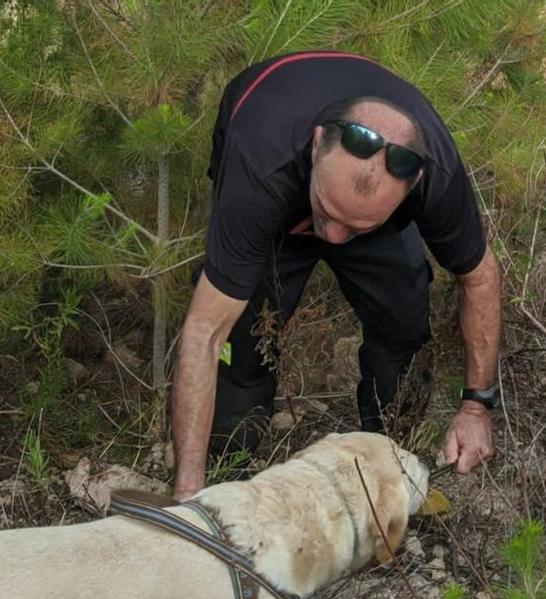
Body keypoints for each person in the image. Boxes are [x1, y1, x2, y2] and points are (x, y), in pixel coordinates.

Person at [171, 51, 502, 499]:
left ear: (413, 183)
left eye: (355, 227)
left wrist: (476, 406)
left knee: (403, 325)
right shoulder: (259, 164)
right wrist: (186, 493)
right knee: (243, 341)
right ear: (315, 144)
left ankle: (389, 463)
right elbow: (204, 332)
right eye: (329, 215)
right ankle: (228, 469)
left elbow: (479, 277)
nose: (334, 236)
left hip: (359, 209)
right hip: (283, 205)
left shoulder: (435, 172)